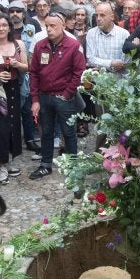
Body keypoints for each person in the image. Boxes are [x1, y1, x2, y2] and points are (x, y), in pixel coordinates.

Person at [28, 11, 86, 180]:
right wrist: (35, 99)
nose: (49, 29)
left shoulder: (73, 45)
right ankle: (45, 165)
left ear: (62, 26)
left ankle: (72, 165)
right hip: (44, 96)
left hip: (64, 97)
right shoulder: (40, 45)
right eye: (47, 26)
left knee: (68, 132)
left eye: (53, 26)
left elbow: (78, 72)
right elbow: (33, 73)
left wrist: (67, 94)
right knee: (46, 132)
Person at [0, 14, 26, 184]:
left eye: (4, 25)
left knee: (13, 124)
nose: (1, 28)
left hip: (13, 88)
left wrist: (18, 65)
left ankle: (9, 159)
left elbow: (27, 67)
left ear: (10, 27)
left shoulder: (19, 44)